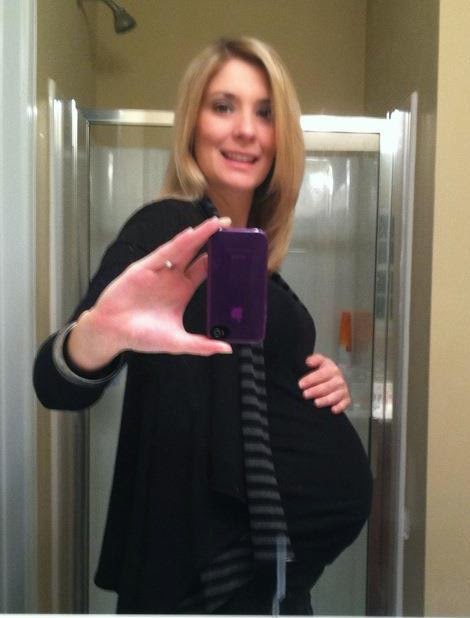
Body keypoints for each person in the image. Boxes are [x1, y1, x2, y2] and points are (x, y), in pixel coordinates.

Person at [34, 37, 372, 614]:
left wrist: (319, 379)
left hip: (270, 582)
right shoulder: (168, 228)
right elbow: (55, 382)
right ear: (193, 123)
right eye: (223, 106)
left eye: (264, 112)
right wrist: (98, 334)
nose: (246, 130)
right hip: (207, 581)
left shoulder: (254, 260)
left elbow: (255, 386)